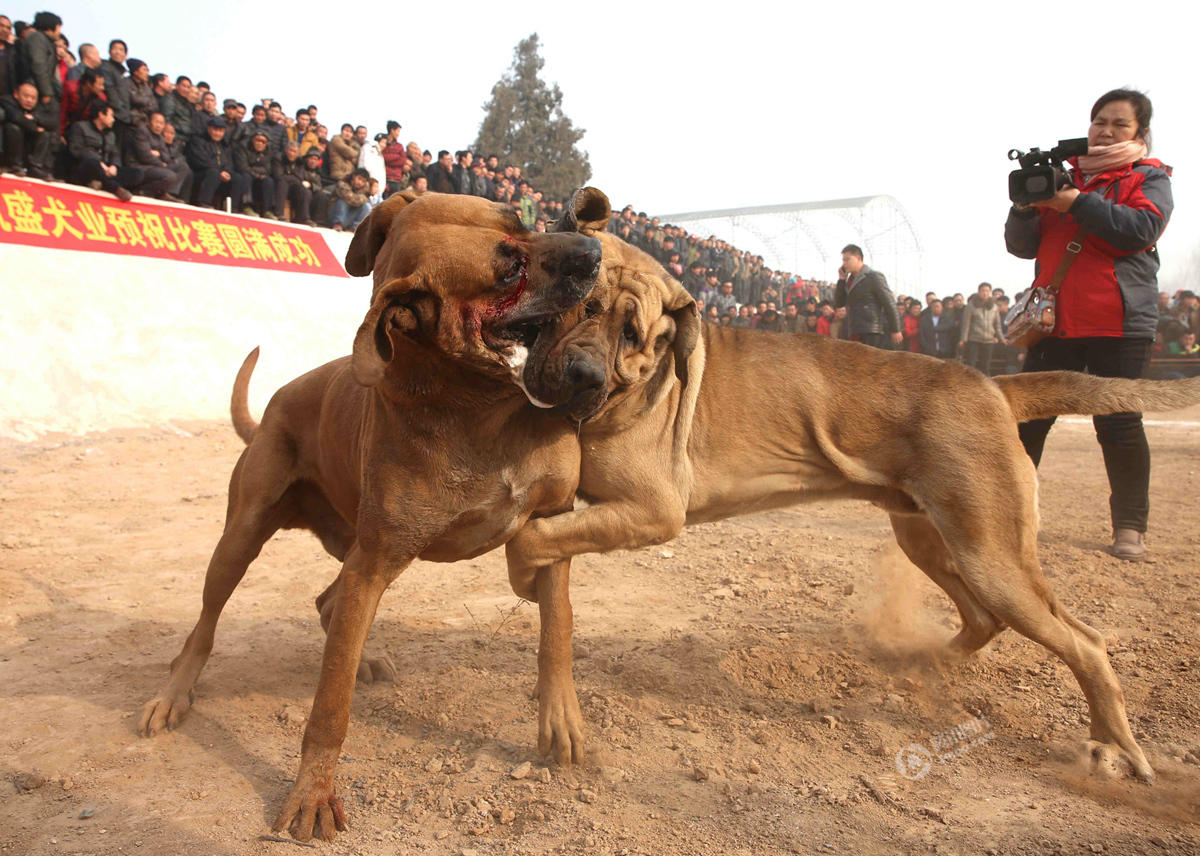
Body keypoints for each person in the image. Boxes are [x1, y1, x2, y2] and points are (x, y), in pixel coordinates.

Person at [1005, 88, 1173, 561]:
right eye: (1099, 120)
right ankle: (1004, 515)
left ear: (1140, 132)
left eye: (1119, 123)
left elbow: (1139, 230)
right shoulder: (1059, 178)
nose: (1106, 130)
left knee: (1119, 426)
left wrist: (1075, 202)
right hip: (1054, 325)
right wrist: (1025, 206)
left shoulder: (1149, 177)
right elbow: (1021, 247)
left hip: (1118, 324)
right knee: (1026, 424)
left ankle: (1129, 527)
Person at [833, 244, 902, 348]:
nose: (844, 264)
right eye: (843, 260)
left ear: (858, 258)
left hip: (871, 330)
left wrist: (896, 329)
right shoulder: (849, 280)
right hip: (854, 329)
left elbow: (889, 303)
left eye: (847, 260)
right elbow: (840, 303)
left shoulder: (873, 276)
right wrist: (841, 280)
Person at [1, 80, 54, 177]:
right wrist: (34, 127)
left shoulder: (39, 107)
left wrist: (35, 118)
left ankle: (35, 167)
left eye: (33, 98)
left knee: (45, 134)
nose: (29, 100)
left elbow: (51, 122)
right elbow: (15, 117)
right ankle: (15, 165)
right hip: (8, 144)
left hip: (27, 143)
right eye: (26, 96)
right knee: (13, 128)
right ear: (16, 94)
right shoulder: (6, 101)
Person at [958, 281, 1003, 374]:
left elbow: (997, 325)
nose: (985, 293)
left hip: (989, 340)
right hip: (974, 339)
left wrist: (1001, 338)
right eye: (983, 290)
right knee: (971, 364)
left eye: (987, 291)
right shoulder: (971, 305)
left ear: (990, 292)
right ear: (979, 292)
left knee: (985, 365)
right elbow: (966, 324)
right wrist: (963, 340)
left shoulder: (994, 307)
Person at [330, 167, 371, 231]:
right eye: (359, 179)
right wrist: (362, 198)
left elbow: (367, 201)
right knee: (343, 201)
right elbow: (350, 198)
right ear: (353, 176)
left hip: (349, 217)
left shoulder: (365, 188)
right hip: (335, 214)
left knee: (367, 206)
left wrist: (362, 199)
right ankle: (338, 224)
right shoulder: (343, 183)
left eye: (363, 181)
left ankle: (355, 228)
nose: (360, 182)